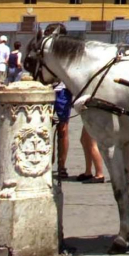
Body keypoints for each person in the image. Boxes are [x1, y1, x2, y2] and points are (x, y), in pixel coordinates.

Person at [44, 23, 73, 179]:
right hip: (47, 91)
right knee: (44, 128)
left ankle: (62, 165)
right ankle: (45, 162)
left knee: (63, 129)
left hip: (62, 91)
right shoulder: (45, 50)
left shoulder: (66, 52)